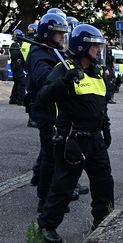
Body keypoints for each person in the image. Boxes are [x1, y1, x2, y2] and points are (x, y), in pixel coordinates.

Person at [36, 24, 114, 242]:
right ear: (82, 46)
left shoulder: (97, 72)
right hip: (72, 139)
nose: (99, 50)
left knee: (104, 184)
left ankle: (103, 224)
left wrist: (105, 128)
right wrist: (64, 82)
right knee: (63, 186)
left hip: (95, 139)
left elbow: (101, 105)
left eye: (100, 46)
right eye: (95, 46)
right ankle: (46, 228)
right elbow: (42, 98)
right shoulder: (64, 70)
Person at [27, 13, 70, 213]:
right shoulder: (39, 53)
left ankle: (55, 196)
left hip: (57, 111)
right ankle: (44, 200)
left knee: (56, 156)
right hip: (46, 112)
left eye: (63, 33)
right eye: (58, 33)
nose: (62, 37)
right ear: (47, 33)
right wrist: (65, 75)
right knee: (49, 158)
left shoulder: (53, 51)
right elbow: (43, 77)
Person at [9, 29, 26, 105]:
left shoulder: (15, 44)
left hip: (15, 66)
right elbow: (15, 56)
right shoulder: (15, 45)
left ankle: (13, 99)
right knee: (21, 83)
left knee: (17, 83)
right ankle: (20, 100)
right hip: (17, 66)